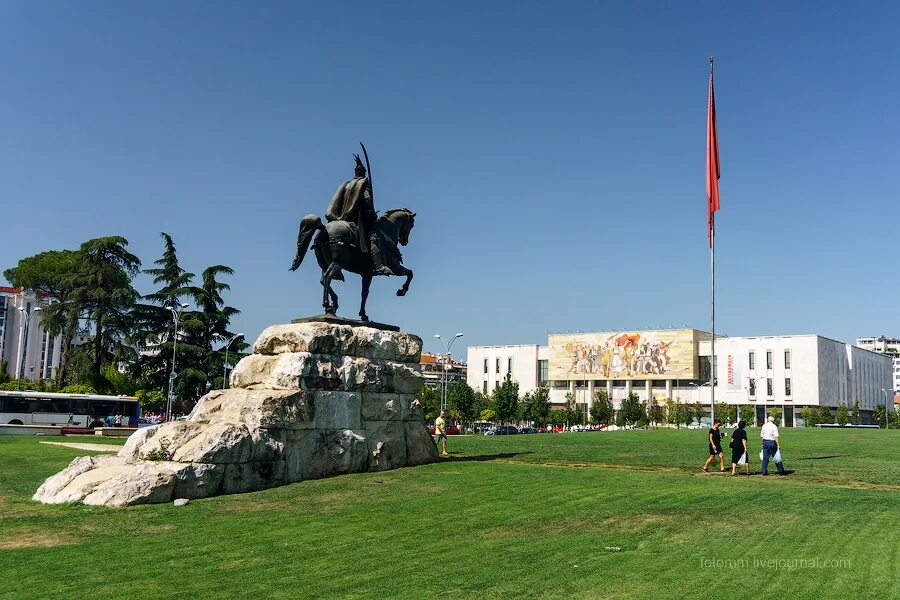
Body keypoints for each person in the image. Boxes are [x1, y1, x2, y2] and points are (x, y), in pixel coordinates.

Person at [325, 155, 392, 275]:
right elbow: (367, 199)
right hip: (356, 220)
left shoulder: (346, 184)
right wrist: (371, 212)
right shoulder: (364, 183)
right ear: (363, 172)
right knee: (374, 236)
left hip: (339, 217)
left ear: (355, 172)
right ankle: (379, 266)